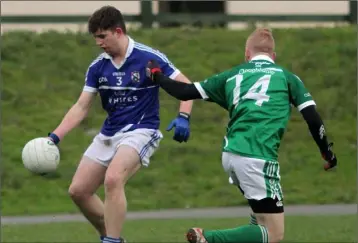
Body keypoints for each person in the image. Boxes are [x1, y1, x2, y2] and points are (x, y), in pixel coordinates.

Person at [146, 27, 337, 243]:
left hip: (231, 154)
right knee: (274, 233)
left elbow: (183, 91)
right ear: (273, 56)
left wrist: (157, 75)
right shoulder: (287, 78)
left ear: (247, 54)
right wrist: (327, 153)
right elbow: (313, 119)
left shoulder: (231, 75)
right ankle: (206, 238)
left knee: (259, 221)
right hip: (258, 157)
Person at [47, 5, 193, 243]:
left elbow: (185, 86)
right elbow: (81, 106)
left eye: (102, 36)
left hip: (141, 130)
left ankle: (111, 240)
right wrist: (55, 136)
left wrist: (184, 116)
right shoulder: (98, 67)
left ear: (118, 31)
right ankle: (111, 236)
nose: (98, 43)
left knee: (114, 179)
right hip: (110, 133)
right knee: (79, 191)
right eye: (96, 38)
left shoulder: (149, 57)